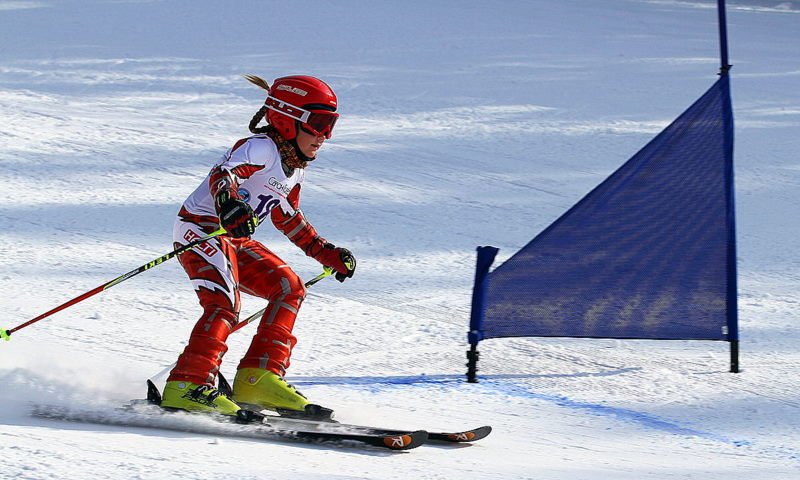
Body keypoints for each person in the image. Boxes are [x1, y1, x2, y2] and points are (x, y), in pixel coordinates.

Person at [159, 75, 356, 416]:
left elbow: (288, 217)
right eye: (319, 124)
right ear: (286, 119)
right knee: (224, 303)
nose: (325, 136)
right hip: (200, 229)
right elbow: (224, 175)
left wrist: (326, 253)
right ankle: (188, 384)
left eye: (331, 125)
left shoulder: (294, 168)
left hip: (235, 239)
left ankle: (258, 376)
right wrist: (228, 203)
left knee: (289, 287)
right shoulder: (259, 148)